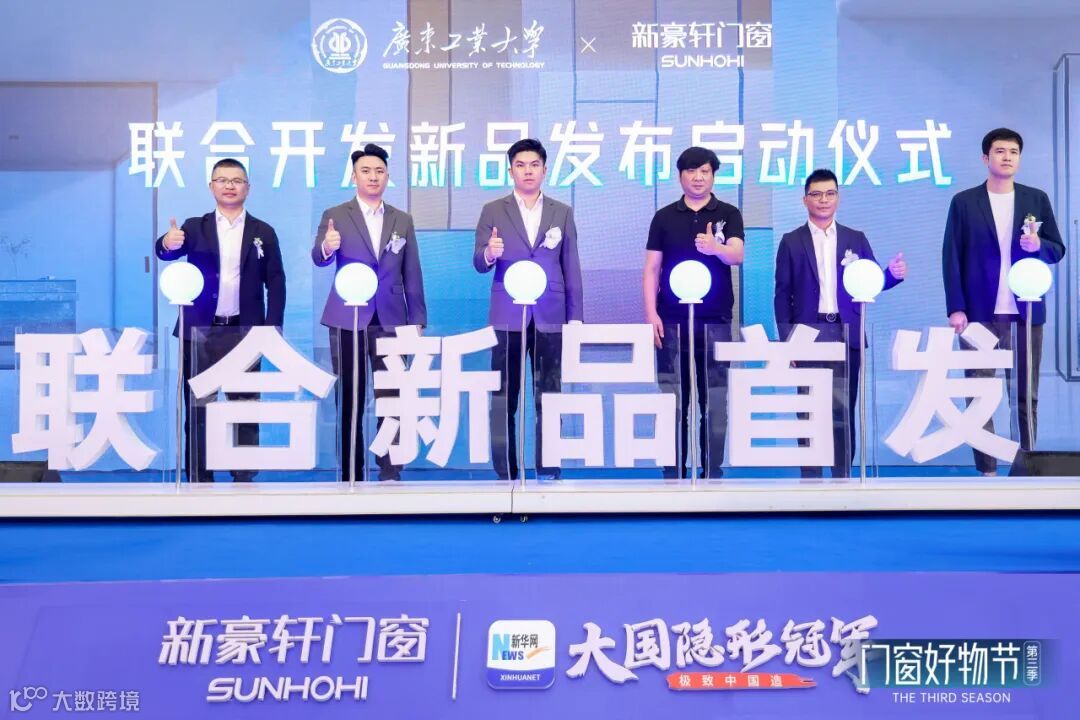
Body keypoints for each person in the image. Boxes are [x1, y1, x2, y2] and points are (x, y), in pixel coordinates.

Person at [943, 128, 1065, 475]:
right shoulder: (964, 202)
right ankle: (987, 470)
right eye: (999, 151)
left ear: (1019, 159)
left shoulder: (1035, 199)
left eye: (1013, 151)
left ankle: (1026, 465)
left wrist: (1038, 246)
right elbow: (951, 255)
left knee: (1025, 394)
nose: (1007, 156)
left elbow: (1057, 249)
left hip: (1026, 312)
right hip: (979, 313)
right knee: (978, 394)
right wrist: (956, 306)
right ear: (986, 158)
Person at [156, 158, 286, 483]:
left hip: (245, 332)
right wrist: (167, 243)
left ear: (248, 188)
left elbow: (276, 281)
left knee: (245, 406)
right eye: (222, 180)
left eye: (237, 180)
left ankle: (244, 474)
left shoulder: (263, 232)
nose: (230, 185)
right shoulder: (194, 227)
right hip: (200, 332)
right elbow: (167, 251)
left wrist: (271, 329)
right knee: (199, 406)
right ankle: (200, 477)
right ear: (211, 186)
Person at [775, 168, 905, 478]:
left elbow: (870, 281)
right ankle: (811, 477)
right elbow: (781, 295)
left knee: (843, 409)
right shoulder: (791, 241)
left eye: (830, 193)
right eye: (817, 194)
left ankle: (842, 477)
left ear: (838, 197)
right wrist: (788, 342)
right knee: (809, 409)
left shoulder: (854, 238)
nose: (824, 200)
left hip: (846, 333)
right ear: (805, 200)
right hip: (808, 334)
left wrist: (891, 275)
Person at [313, 143, 427, 482]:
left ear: (387, 176)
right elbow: (318, 257)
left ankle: (390, 467)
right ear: (354, 176)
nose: (373, 177)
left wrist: (417, 319)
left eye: (379, 171)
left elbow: (412, 271)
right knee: (350, 394)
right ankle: (351, 468)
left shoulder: (401, 219)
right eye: (366, 171)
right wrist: (327, 247)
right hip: (346, 317)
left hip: (391, 317)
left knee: (393, 395)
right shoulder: (335, 215)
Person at [473, 138, 583, 481]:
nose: (528, 171)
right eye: (520, 165)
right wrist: (489, 253)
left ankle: (548, 466)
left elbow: (571, 265)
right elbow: (478, 262)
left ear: (545, 170)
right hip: (507, 313)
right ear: (511, 171)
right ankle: (504, 469)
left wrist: (575, 317)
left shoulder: (561, 212)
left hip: (550, 313)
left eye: (534, 165)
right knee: (503, 394)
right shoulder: (493, 210)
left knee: (549, 394)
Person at [644, 146, 744, 479]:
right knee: (672, 398)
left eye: (704, 171)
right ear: (680, 176)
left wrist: (716, 248)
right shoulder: (664, 217)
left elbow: (737, 255)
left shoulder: (728, 213)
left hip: (716, 320)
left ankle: (712, 471)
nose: (698, 177)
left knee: (715, 399)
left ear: (713, 175)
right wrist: (651, 314)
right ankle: (673, 471)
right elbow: (652, 269)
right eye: (691, 171)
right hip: (670, 321)